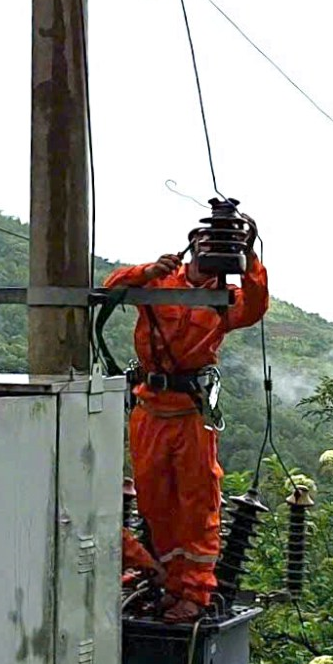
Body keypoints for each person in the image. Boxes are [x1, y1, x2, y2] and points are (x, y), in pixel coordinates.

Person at [102, 221, 269, 622]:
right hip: (150, 408)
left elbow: (255, 306)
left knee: (197, 503)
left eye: (222, 247)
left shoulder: (224, 296)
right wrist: (146, 271)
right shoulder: (159, 281)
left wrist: (249, 259)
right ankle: (166, 582)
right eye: (208, 244)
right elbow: (111, 288)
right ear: (193, 246)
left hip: (191, 410)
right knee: (154, 500)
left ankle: (194, 592)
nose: (212, 253)